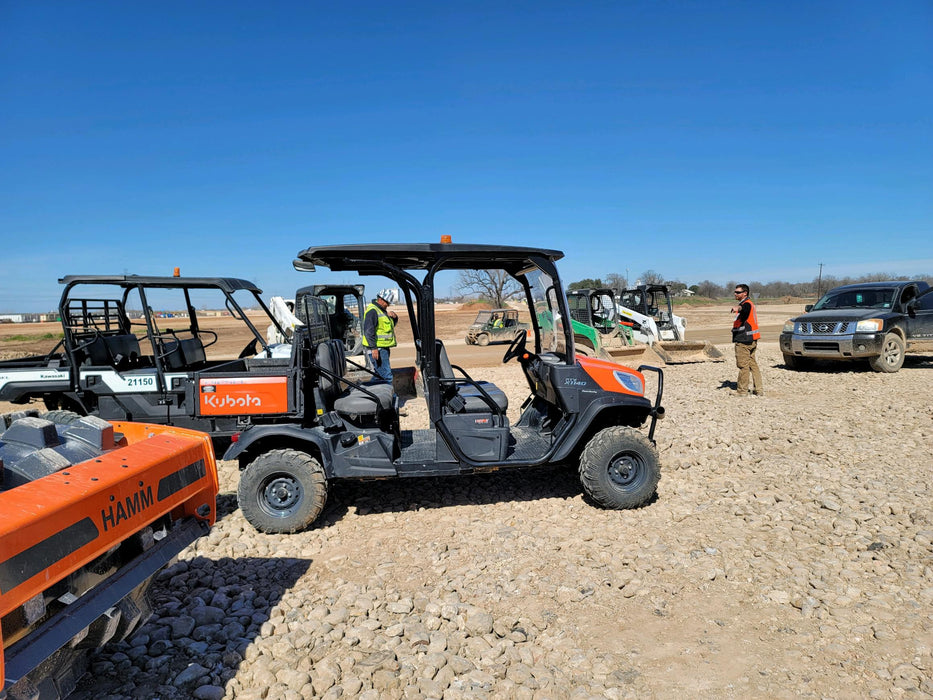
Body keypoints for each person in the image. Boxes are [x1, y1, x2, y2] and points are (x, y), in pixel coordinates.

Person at [731, 283, 764, 396]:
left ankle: (742, 391)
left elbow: (744, 309)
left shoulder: (747, 304)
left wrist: (737, 308)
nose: (735, 293)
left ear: (745, 293)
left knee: (743, 366)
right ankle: (758, 389)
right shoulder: (749, 304)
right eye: (735, 292)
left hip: (744, 340)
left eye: (738, 292)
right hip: (752, 339)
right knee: (752, 364)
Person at [362, 292, 398, 383]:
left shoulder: (382, 311)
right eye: (387, 302)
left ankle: (369, 392)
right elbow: (368, 331)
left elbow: (389, 327)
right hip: (378, 349)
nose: (388, 305)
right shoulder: (373, 311)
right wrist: (374, 348)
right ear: (381, 300)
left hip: (382, 348)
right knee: (386, 376)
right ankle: (391, 397)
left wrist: (394, 317)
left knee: (379, 375)